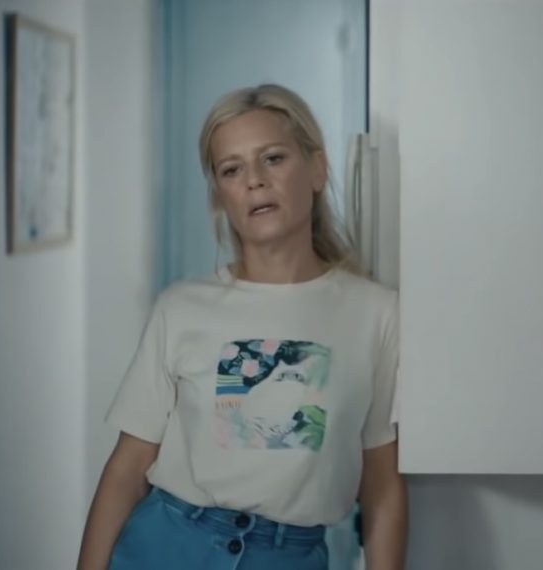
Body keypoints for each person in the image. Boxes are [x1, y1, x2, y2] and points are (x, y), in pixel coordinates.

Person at [77, 84, 407, 570]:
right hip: (165, 546)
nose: (254, 181)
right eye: (232, 169)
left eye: (273, 159)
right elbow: (128, 466)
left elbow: (382, 483)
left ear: (317, 169)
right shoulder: (180, 309)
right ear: (221, 196)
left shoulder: (377, 314)